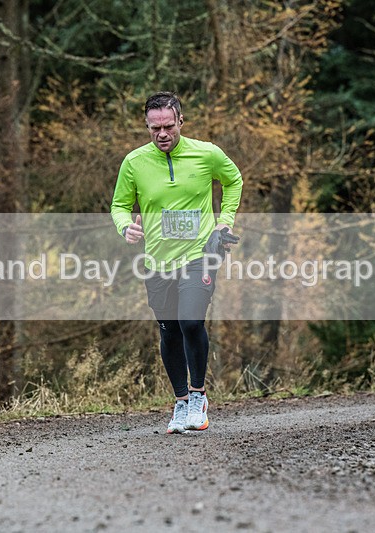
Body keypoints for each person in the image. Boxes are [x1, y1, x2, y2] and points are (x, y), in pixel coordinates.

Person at [111, 91, 243, 433]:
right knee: (168, 330)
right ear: (147, 126)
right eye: (154, 128)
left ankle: (199, 396)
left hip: (200, 254)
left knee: (190, 321)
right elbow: (119, 206)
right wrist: (125, 226)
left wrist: (224, 222)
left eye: (169, 126)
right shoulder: (134, 163)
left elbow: (233, 181)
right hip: (157, 261)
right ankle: (181, 402)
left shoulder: (207, 153)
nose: (162, 134)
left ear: (181, 121)